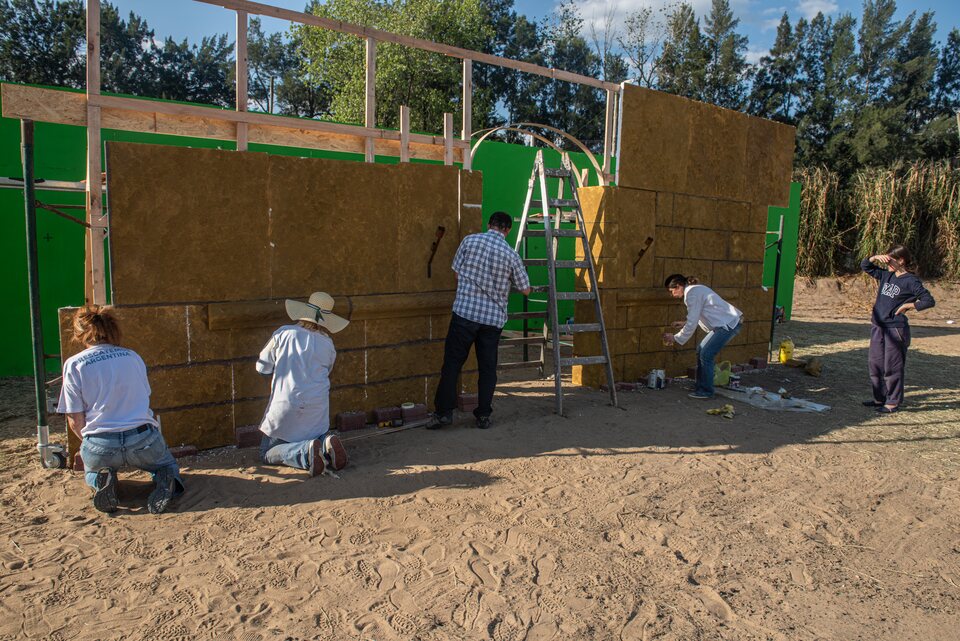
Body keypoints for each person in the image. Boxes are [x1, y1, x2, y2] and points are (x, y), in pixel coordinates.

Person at [57, 307, 184, 515]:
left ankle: (102, 481)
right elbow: (145, 398)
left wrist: (90, 443)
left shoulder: (74, 364)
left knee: (92, 470)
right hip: (142, 437)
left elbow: (74, 420)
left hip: (101, 441)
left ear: (79, 333)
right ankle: (166, 479)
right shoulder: (132, 356)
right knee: (167, 465)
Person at [429, 211, 531, 430]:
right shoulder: (511, 254)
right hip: (492, 320)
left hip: (464, 314)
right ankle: (483, 415)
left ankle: (443, 414)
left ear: (489, 224)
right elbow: (525, 290)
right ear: (508, 230)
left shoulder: (469, 240)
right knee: (487, 369)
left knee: (452, 365)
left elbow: (456, 274)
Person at [256, 291, 350, 475]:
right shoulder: (328, 344)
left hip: (285, 408)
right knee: (314, 433)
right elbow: (326, 371)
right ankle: (324, 445)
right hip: (317, 410)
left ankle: (304, 453)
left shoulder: (284, 333)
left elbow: (262, 367)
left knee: (266, 453)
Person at [861, 245, 935, 413]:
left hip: (895, 329)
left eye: (890, 259)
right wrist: (874, 258)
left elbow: (928, 300)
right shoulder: (887, 275)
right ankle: (879, 398)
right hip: (878, 326)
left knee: (892, 367)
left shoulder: (911, 280)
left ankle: (892, 401)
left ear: (901, 260)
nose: (887, 262)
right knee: (875, 364)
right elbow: (866, 266)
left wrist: (909, 305)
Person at [662, 274, 743, 399]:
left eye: (672, 291)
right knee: (701, 350)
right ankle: (701, 386)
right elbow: (701, 313)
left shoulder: (691, 294)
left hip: (727, 324)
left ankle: (706, 391)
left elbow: (693, 321)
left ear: (678, 286)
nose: (672, 294)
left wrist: (675, 337)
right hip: (726, 323)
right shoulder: (695, 290)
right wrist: (684, 323)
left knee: (706, 354)